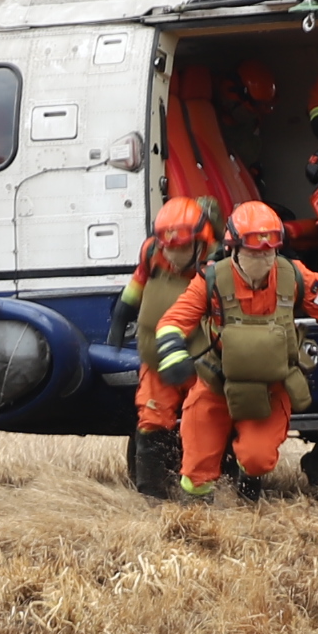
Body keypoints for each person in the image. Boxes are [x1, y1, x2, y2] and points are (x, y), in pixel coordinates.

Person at [152, 201, 318, 500]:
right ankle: (195, 519)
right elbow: (172, 321)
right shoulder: (211, 280)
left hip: (271, 388)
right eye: (253, 251)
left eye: (267, 250)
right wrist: (172, 354)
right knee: (195, 472)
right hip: (216, 385)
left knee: (256, 458)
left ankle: (248, 497)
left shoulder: (294, 276)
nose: (261, 257)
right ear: (234, 248)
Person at [108, 198, 220, 496]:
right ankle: (152, 494)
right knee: (152, 420)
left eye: (180, 248)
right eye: (167, 246)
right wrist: (121, 316)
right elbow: (136, 285)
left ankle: (209, 487)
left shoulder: (218, 267)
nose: (171, 253)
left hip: (200, 361)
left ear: (200, 242)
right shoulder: (152, 253)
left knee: (208, 421)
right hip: (156, 360)